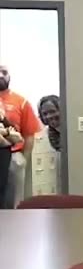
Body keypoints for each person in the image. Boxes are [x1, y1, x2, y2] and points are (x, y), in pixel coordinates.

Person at [0, 63, 42, 209]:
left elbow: (29, 134)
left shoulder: (21, 102)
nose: (0, 75)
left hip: (13, 155)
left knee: (13, 201)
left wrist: (23, 158)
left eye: (4, 72)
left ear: (9, 76)